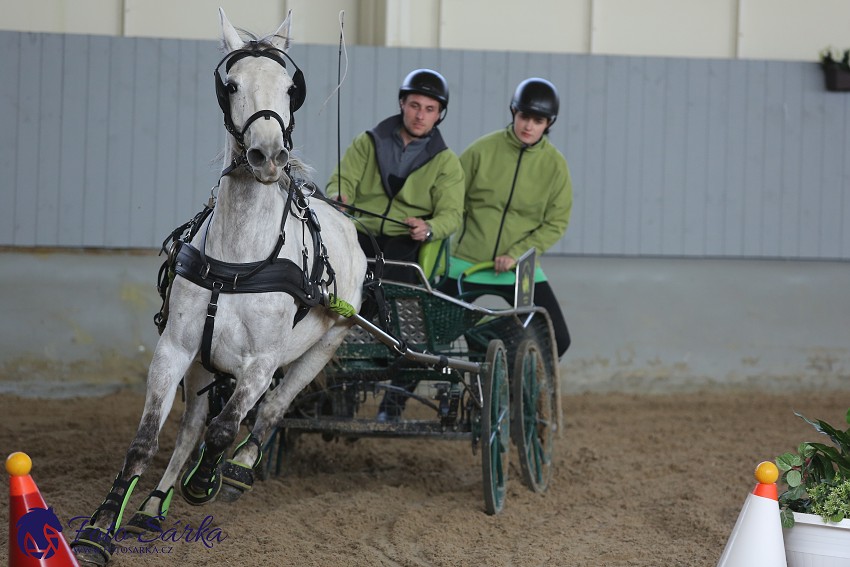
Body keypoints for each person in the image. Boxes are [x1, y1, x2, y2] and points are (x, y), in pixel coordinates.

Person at [442, 77, 573, 358]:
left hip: (520, 268)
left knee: (558, 339)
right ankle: (392, 404)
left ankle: (515, 392)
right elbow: (452, 199)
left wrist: (516, 254)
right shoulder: (481, 150)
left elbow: (556, 222)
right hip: (465, 263)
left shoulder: (556, 166)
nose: (529, 126)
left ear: (548, 123)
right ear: (514, 112)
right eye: (524, 116)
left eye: (538, 120)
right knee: (429, 335)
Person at [326, 68, 464, 284]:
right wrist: (339, 196)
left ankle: (390, 315)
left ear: (439, 115)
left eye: (429, 109)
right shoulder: (368, 141)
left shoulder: (447, 162)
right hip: (363, 230)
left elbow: (452, 215)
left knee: (395, 269)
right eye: (414, 106)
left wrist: (429, 228)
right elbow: (344, 180)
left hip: (406, 239)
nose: (420, 116)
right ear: (402, 103)